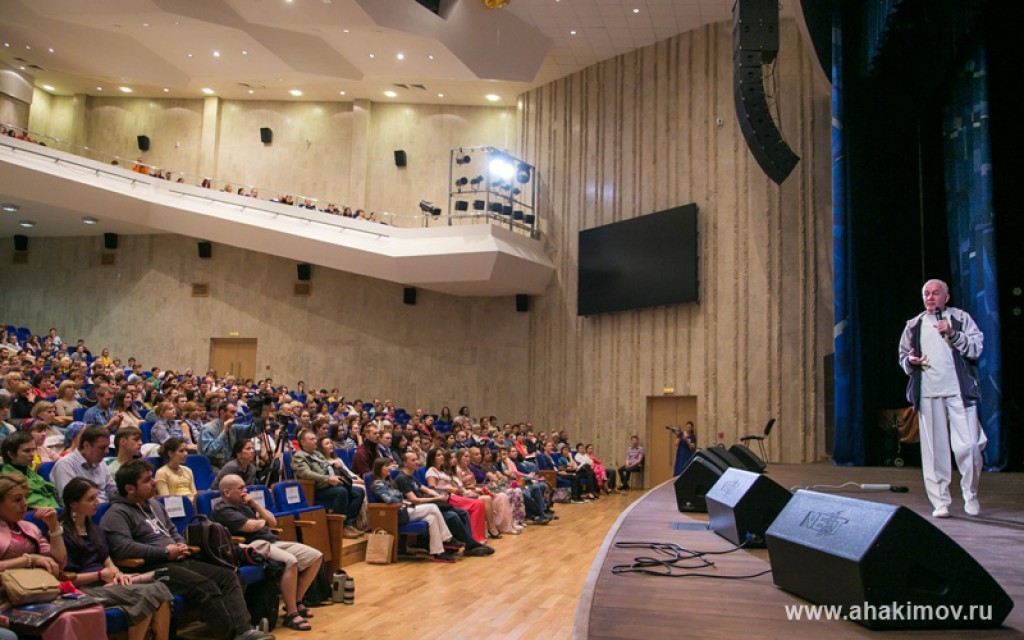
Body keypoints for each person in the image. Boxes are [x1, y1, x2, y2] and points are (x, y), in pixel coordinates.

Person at [102, 460, 273, 640]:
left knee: (228, 576)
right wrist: (165, 552)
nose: (153, 482)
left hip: (177, 559)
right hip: (152, 567)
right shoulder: (116, 514)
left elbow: (172, 531)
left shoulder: (155, 505)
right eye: (146, 480)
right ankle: (231, 636)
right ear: (130, 489)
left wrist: (180, 545)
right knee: (206, 587)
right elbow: (123, 548)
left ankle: (244, 630)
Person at [899, 278, 985, 518]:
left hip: (959, 392)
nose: (929, 297)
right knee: (934, 451)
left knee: (969, 446)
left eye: (935, 293)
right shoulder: (914, 324)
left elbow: (976, 348)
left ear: (946, 297)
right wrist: (910, 361)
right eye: (926, 293)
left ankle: (971, 494)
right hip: (929, 392)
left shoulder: (960, 318)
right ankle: (940, 502)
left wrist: (952, 333)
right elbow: (903, 355)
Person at [60, 478, 173, 640]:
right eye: (90, 499)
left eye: (97, 497)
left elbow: (109, 563)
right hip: (84, 588)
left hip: (106, 583)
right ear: (74, 504)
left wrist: (119, 574)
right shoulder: (63, 533)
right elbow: (66, 580)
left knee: (159, 588)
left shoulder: (94, 529)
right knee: (147, 594)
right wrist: (99, 575)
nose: (97, 503)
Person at [0, 474, 108, 639]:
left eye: (25, 498)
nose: (25, 504)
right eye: (17, 500)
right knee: (66, 618)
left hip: (38, 593)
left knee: (92, 609)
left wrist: (53, 527)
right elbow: (37, 559)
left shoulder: (29, 527)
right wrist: (31, 559)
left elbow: (60, 563)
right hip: (6, 598)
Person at [213, 474, 324, 632]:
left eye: (245, 486)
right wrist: (260, 522)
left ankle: (296, 601)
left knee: (315, 556)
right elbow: (250, 527)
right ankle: (291, 614)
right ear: (227, 492)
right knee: (289, 561)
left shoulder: (244, 504)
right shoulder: (222, 510)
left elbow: (272, 522)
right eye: (240, 488)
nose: (245, 491)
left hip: (271, 541)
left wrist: (255, 505)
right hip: (250, 546)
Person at [392, 452, 494, 558]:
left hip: (426, 505)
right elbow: (414, 500)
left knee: (462, 512)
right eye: (413, 460)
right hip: (416, 507)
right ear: (405, 463)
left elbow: (426, 489)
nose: (417, 462)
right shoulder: (402, 479)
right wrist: (437, 498)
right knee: (452, 515)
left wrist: (441, 497)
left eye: (416, 459)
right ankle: (455, 541)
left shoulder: (411, 477)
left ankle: (469, 544)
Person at [370, 458, 456, 563]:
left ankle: (438, 552)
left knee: (431, 518)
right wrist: (403, 501)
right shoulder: (378, 484)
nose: (390, 469)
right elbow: (388, 499)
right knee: (433, 507)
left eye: (390, 466)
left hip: (403, 510)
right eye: (386, 466)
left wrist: (403, 501)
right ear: (379, 468)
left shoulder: (389, 481)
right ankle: (447, 538)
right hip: (395, 513)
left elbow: (397, 496)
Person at [291, 428, 365, 539]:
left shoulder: (317, 454)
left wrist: (334, 465)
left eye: (315, 439)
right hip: (316, 488)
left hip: (330, 484)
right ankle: (338, 527)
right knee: (341, 492)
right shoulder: (299, 456)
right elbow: (306, 473)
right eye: (311, 439)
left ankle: (348, 523)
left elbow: (326, 464)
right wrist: (327, 479)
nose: (315, 441)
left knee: (359, 492)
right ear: (302, 442)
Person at [51, 425, 118, 505]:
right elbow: (71, 500)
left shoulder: (101, 462)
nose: (107, 451)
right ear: (86, 445)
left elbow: (112, 489)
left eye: (107, 447)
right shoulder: (65, 464)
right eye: (102, 448)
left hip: (105, 508)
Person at [0, 431, 59, 507]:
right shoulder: (5, 480)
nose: (32, 454)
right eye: (27, 451)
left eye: (34, 450)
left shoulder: (30, 472)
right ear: (11, 454)